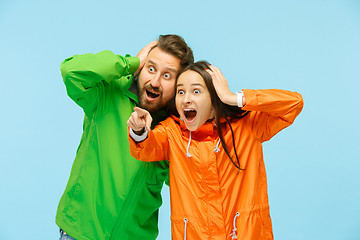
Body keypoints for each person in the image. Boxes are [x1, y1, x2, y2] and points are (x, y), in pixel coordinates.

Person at [127, 61, 304, 239]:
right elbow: (146, 147)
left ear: (214, 97)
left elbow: (294, 104)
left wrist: (234, 98)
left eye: (196, 91)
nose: (186, 98)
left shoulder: (247, 126)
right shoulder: (172, 132)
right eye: (181, 92)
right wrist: (139, 130)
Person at [56, 34, 194, 240]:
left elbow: (188, 186)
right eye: (151, 68)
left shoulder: (175, 130)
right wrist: (131, 63)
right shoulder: (108, 92)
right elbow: (71, 71)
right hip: (80, 233)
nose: (154, 82)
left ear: (178, 85)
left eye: (167, 76)